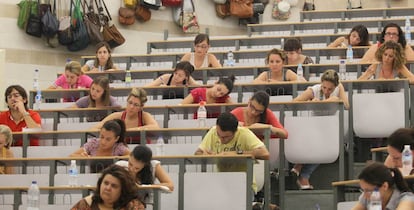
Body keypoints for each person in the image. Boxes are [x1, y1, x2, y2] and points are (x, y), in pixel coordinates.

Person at [291, 69, 349, 190]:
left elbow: (347, 105)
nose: (326, 91)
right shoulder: (314, 89)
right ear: (321, 83)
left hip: (329, 128)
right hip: (313, 126)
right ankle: (303, 174)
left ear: (335, 86)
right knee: (317, 140)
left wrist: (329, 100)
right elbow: (294, 103)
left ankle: (300, 165)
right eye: (324, 87)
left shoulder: (339, 88)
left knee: (323, 145)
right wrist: (311, 102)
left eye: (330, 89)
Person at [194, 112, 270, 193]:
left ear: (235, 131)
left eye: (226, 137)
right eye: (219, 135)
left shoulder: (244, 133)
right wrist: (205, 155)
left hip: (244, 184)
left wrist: (237, 153)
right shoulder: (213, 131)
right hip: (221, 184)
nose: (221, 139)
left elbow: (265, 154)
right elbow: (197, 153)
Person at [71, 164, 145, 210]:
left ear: (123, 190)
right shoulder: (86, 204)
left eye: (114, 186)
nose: (108, 188)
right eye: (106, 183)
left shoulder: (133, 206)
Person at [92, 88, 159, 131]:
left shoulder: (144, 116)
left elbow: (155, 127)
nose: (131, 107)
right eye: (130, 103)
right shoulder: (117, 116)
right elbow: (95, 128)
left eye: (136, 105)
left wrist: (129, 130)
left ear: (141, 107)